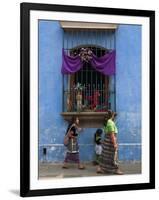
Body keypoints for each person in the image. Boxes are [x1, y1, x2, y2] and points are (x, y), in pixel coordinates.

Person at [97, 110, 123, 175]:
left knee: (105, 156)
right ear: (112, 116)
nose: (115, 117)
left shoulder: (107, 122)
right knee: (113, 156)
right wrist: (114, 144)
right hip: (110, 142)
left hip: (106, 141)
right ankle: (116, 169)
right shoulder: (110, 122)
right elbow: (112, 134)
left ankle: (100, 168)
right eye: (114, 116)